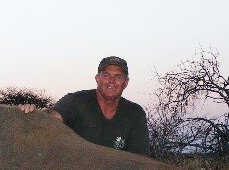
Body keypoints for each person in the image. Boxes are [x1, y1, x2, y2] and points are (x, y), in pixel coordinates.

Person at [20, 56, 150, 155]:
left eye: (118, 77)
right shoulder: (75, 101)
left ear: (126, 82)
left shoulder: (135, 113)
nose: (111, 81)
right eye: (106, 75)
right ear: (97, 78)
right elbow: (53, 116)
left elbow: (140, 158)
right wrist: (35, 114)